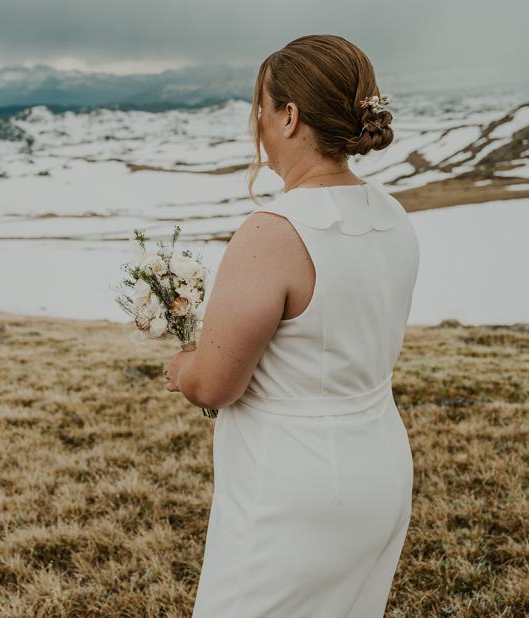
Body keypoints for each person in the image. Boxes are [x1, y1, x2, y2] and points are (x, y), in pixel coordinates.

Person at [166, 35, 419, 617]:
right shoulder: (392, 214)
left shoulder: (274, 233)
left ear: (289, 115)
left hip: (294, 489)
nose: (256, 123)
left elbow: (215, 385)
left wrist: (184, 366)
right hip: (381, 466)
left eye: (261, 107)